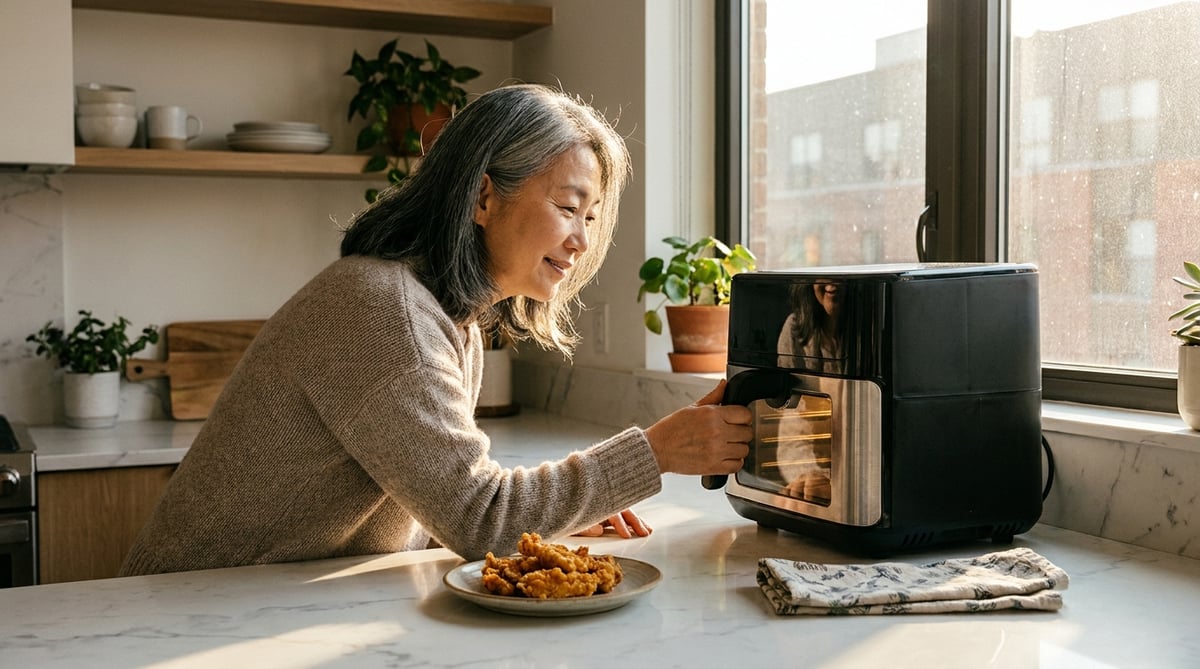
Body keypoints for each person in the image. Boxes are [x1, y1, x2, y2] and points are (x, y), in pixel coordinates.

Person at [120, 84, 753, 576]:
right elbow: (480, 518)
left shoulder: (448, 320)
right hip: (186, 613)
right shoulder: (384, 311)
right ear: (483, 198)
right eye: (567, 207)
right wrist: (656, 452)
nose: (581, 241)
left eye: (590, 217)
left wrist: (556, 515)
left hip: (256, 604)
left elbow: (436, 502)